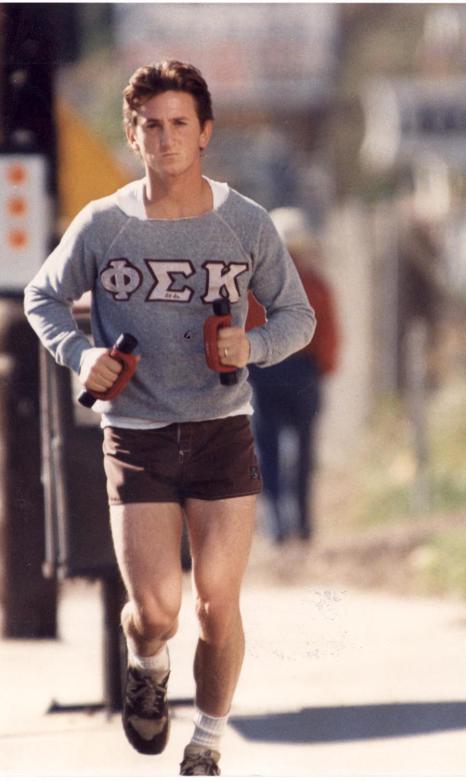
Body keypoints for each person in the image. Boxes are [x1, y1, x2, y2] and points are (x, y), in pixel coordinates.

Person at [24, 61, 315, 776]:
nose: (166, 138)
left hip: (222, 429)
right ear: (132, 134)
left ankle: (208, 742)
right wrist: (79, 354)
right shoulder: (104, 224)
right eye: (151, 125)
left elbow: (297, 317)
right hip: (137, 434)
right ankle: (146, 661)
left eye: (180, 123)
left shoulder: (244, 222)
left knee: (218, 604)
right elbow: (42, 298)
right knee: (156, 607)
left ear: (205, 131)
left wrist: (252, 343)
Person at [245, 207, 340, 545]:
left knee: (281, 452)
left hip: (282, 371)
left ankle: (288, 526)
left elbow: (327, 332)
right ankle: (290, 526)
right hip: (285, 371)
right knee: (282, 452)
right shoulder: (311, 284)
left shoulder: (261, 288)